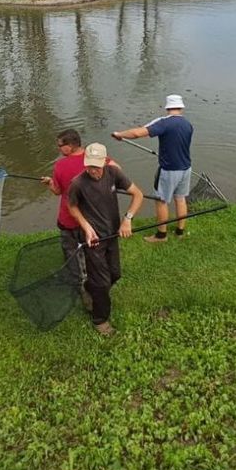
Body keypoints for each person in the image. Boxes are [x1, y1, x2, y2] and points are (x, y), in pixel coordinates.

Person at [65, 143, 142, 335]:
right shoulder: (78, 183)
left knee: (115, 274)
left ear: (104, 162)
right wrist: (86, 227)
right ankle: (100, 319)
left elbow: (137, 194)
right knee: (102, 284)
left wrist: (127, 220)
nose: (93, 171)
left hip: (113, 234)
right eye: (89, 165)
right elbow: (72, 207)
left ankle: (88, 287)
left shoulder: (114, 173)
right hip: (94, 239)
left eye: (97, 166)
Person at [112, 93, 193, 242]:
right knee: (180, 199)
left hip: (169, 170)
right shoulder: (188, 124)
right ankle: (180, 232)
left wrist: (119, 134)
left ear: (167, 107)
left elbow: (138, 133)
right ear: (181, 107)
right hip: (186, 168)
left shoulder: (164, 123)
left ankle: (161, 235)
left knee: (161, 201)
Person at [39, 129, 96, 310]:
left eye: (60, 146)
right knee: (91, 251)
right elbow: (116, 169)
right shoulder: (96, 159)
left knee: (72, 254)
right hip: (92, 219)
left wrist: (50, 183)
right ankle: (94, 282)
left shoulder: (61, 166)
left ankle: (81, 287)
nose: (58, 149)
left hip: (69, 219)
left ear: (70, 147)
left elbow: (57, 191)